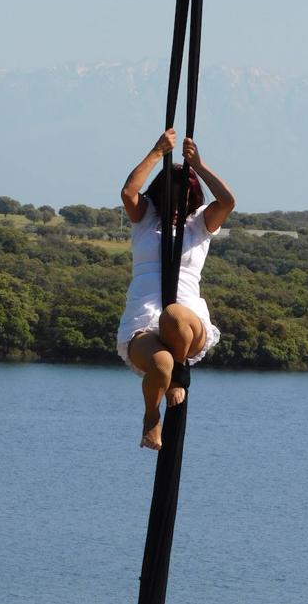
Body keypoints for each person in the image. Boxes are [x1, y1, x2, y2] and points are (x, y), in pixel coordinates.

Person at [119, 128, 236, 451]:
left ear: (192, 198)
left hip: (186, 322)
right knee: (160, 365)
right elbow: (129, 193)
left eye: (183, 197)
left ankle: (179, 373)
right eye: (171, 196)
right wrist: (158, 152)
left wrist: (198, 164)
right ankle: (150, 418)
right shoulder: (147, 220)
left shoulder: (199, 224)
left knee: (173, 316)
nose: (176, 204)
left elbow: (228, 201)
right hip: (143, 320)